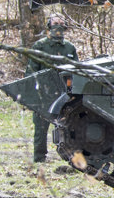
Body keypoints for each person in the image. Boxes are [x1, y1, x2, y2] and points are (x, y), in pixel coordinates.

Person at [26, 15, 78, 162]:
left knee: (69, 127)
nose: (58, 27)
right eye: (55, 23)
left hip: (64, 94)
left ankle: (72, 157)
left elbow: (77, 70)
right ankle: (39, 157)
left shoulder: (69, 47)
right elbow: (31, 72)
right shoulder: (40, 46)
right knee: (40, 128)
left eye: (62, 24)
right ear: (49, 25)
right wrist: (33, 93)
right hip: (44, 94)